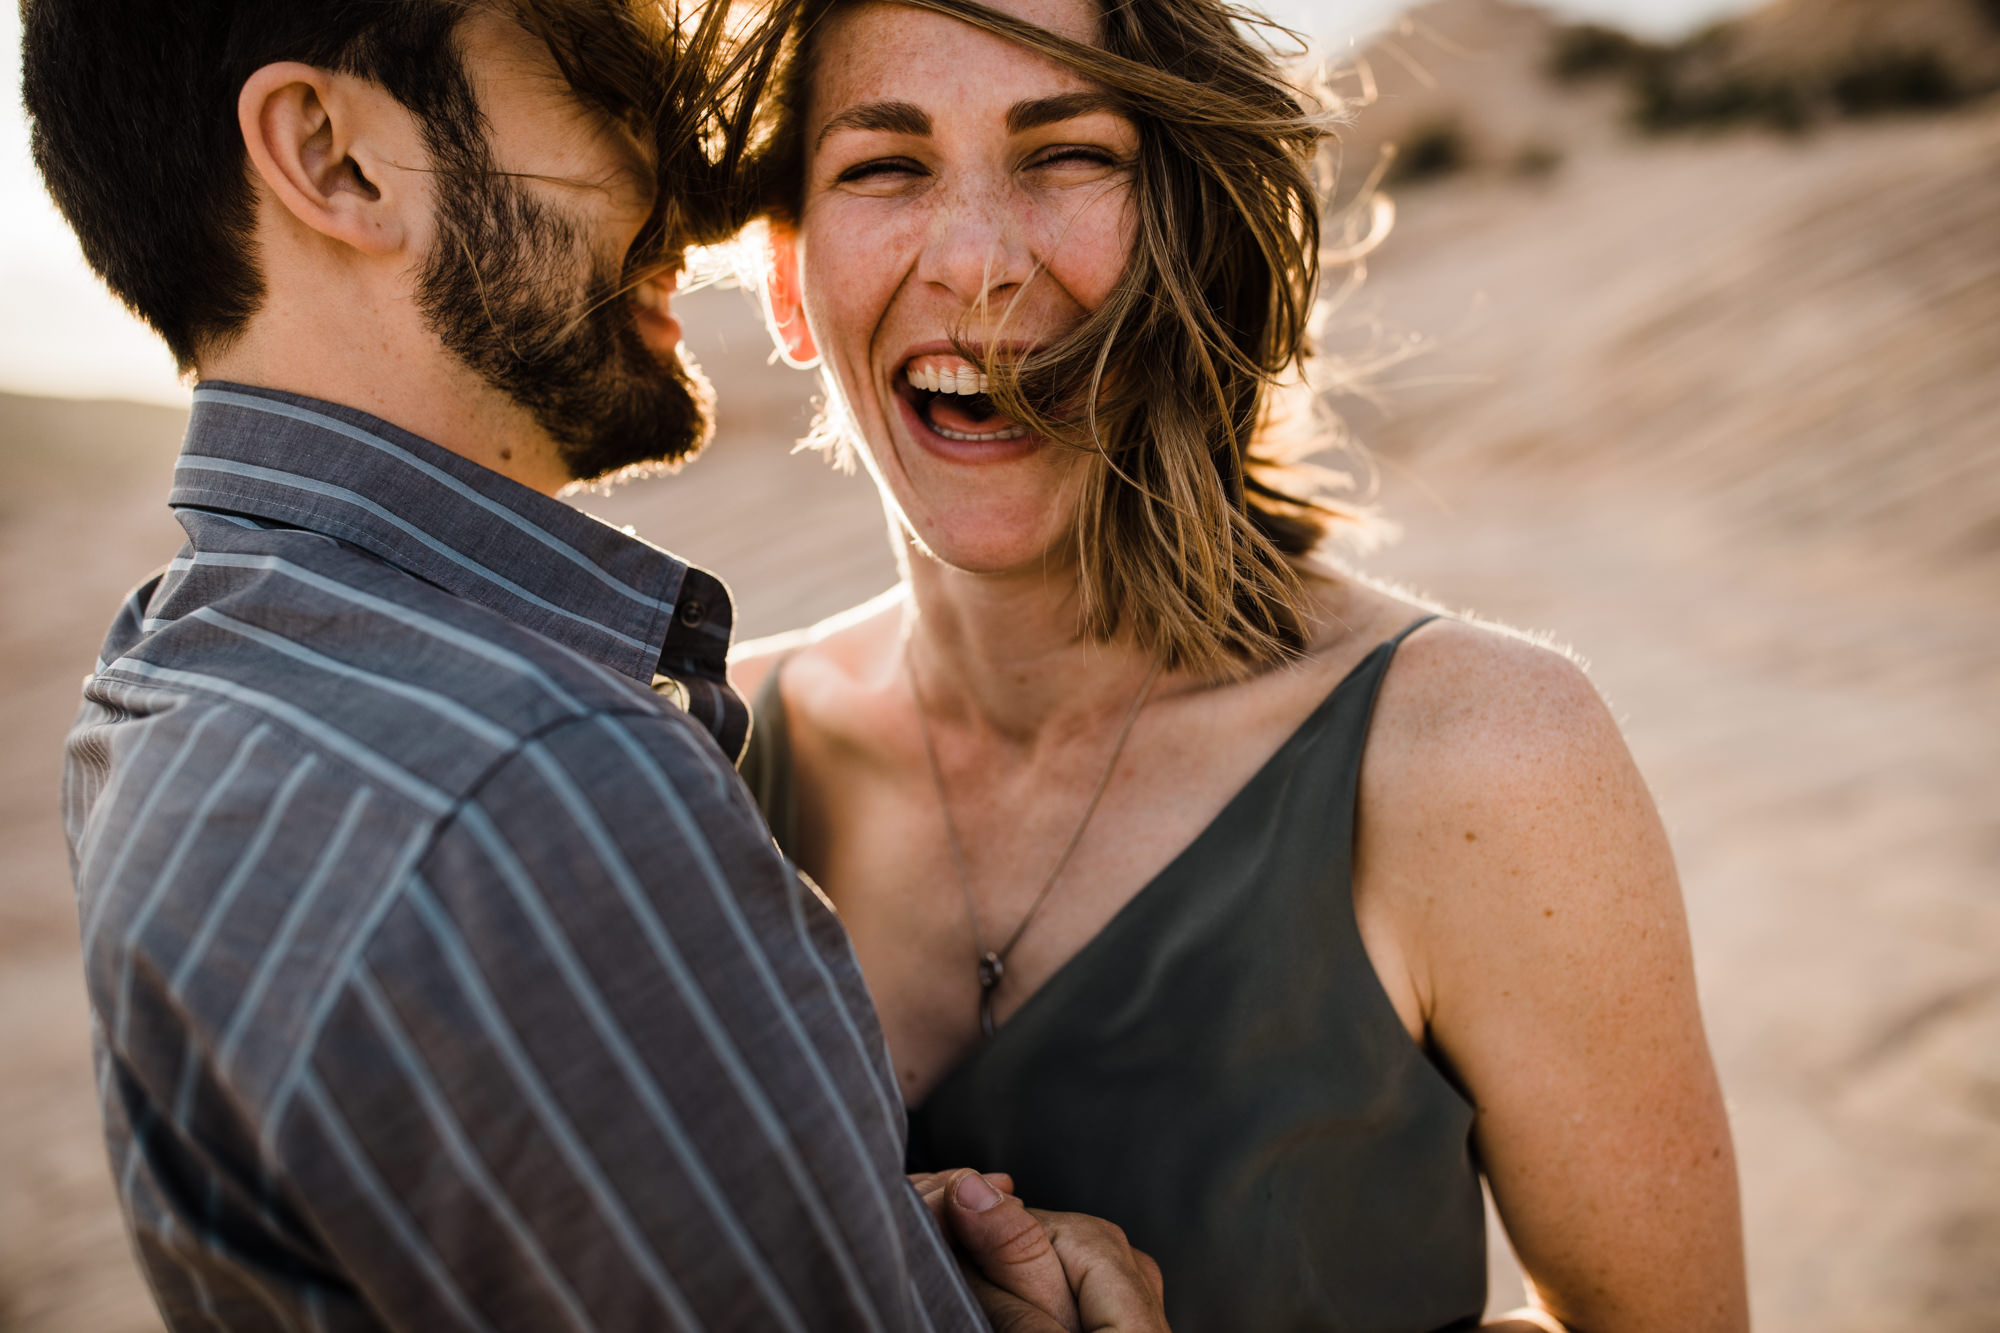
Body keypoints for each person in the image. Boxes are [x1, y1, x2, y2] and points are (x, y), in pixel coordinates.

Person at [26, 0, 1169, 1328]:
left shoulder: (161, 689)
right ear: (335, 160)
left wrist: (824, 1222)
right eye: (608, 82)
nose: (692, 195)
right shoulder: (538, 790)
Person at [731, 0, 1751, 1328]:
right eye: (885, 166)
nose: (974, 261)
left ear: (1192, 238)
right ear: (784, 281)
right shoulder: (698, 758)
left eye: (1068, 154)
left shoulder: (1480, 758)